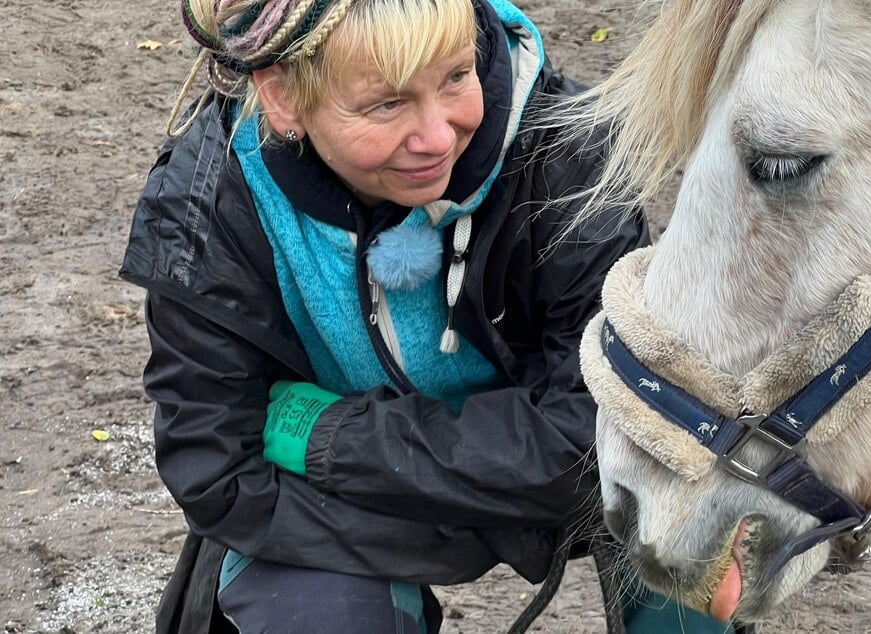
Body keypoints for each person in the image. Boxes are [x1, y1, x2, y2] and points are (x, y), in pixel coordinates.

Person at [120, 0, 739, 632]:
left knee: (691, 541)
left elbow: (608, 432)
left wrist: (330, 438)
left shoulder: (570, 158)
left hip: (352, 473)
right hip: (450, 484)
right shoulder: (206, 204)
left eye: (455, 77)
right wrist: (492, 507)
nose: (439, 136)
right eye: (385, 104)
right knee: (317, 618)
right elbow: (219, 472)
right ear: (281, 99)